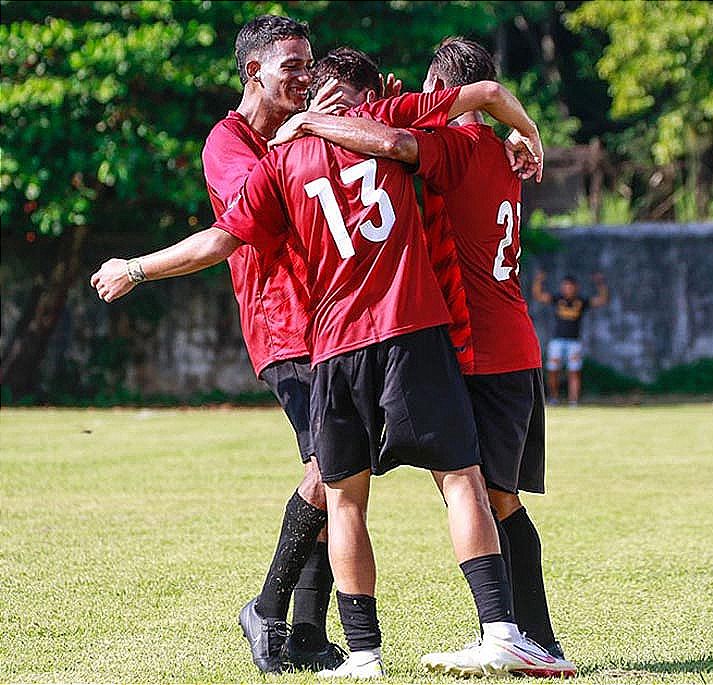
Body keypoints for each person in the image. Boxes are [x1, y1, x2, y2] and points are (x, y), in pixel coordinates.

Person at [90, 56, 574, 680]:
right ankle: (503, 630)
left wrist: (136, 268)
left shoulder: (284, 156)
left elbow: (218, 240)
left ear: (318, 93)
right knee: (462, 480)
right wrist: (528, 135)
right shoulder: (380, 120)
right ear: (371, 91)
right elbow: (473, 98)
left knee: (344, 498)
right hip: (413, 333)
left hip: (335, 344)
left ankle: (365, 654)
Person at [283, 40, 574, 675]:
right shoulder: (501, 153)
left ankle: (526, 638)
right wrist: (526, 132)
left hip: (479, 350)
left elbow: (395, 144)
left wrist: (309, 121)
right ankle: (526, 637)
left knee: (487, 495)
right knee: (493, 494)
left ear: (443, 87)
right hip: (513, 343)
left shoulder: (456, 148)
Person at [200, 15, 345, 673]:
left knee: (345, 473)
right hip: (284, 330)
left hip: (338, 323)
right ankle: (267, 607)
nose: (307, 76)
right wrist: (301, 135)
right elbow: (255, 216)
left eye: (310, 64)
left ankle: (309, 635)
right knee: (330, 468)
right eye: (293, 64)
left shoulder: (301, 134)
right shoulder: (227, 143)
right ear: (253, 69)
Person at [532, 271, 609, 406]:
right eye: (565, 286)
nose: (567, 289)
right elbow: (539, 296)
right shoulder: (557, 299)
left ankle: (573, 401)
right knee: (552, 370)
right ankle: (553, 398)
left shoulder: (581, 301)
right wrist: (538, 281)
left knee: (574, 372)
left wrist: (600, 284)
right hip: (557, 341)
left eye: (570, 286)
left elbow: (602, 300)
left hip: (574, 342)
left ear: (576, 287)